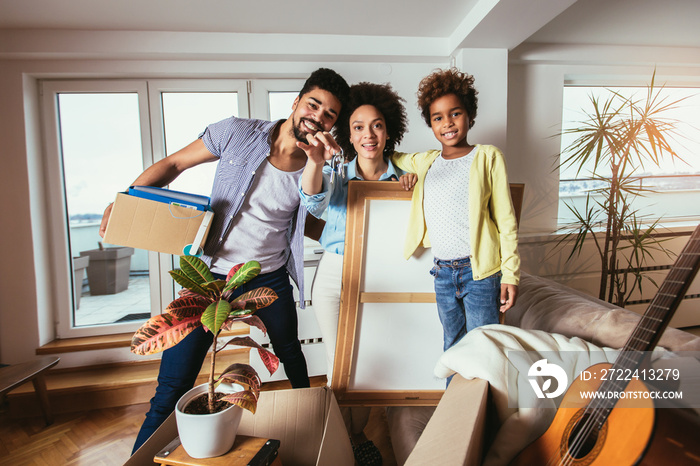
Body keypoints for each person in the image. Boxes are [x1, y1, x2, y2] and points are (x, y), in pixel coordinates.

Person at [99, 68, 350, 454]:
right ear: (296, 102)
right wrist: (130, 203)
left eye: (330, 114)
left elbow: (319, 224)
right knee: (171, 387)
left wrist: (361, 243)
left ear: (334, 125)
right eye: (313, 104)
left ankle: (314, 433)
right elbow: (173, 165)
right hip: (210, 279)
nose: (318, 116)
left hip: (269, 278)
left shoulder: (322, 169)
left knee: (292, 357)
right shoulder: (236, 132)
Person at [298, 82, 416, 466]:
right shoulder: (336, 175)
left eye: (377, 125)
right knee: (339, 367)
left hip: (380, 278)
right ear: (348, 133)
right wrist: (315, 161)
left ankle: (357, 435)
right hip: (334, 276)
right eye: (360, 126)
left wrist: (410, 191)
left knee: (366, 366)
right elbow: (313, 201)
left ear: (388, 131)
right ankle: (341, 444)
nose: (369, 135)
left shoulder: (406, 177)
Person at [391, 68, 520, 365]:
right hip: (443, 274)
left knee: (484, 349)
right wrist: (405, 174)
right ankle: (456, 410)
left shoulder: (488, 157)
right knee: (452, 348)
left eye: (455, 114)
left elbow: (506, 222)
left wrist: (510, 274)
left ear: (470, 116)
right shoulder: (425, 162)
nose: (447, 123)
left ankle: (485, 411)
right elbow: (392, 157)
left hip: (481, 274)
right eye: (438, 118)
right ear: (431, 124)